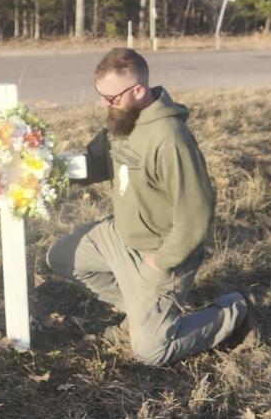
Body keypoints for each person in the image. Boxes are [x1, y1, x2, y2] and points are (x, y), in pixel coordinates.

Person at [46, 47, 249, 365]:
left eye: (110, 97)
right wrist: (44, 168)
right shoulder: (123, 118)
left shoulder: (170, 139)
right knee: (60, 258)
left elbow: (196, 213)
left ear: (138, 90)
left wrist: (162, 261)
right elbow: (96, 164)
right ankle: (146, 306)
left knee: (151, 352)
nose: (104, 104)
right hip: (120, 235)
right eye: (100, 95)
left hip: (160, 250)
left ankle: (234, 311)